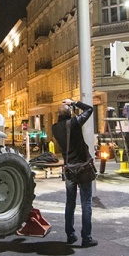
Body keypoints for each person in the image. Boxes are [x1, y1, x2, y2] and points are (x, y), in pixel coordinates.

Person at [51, 98, 97, 248]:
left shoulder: (55, 128)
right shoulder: (74, 123)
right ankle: (86, 237)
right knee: (86, 203)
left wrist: (68, 108)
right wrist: (75, 102)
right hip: (83, 169)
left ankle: (70, 235)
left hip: (69, 169)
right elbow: (89, 109)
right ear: (70, 113)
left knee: (70, 204)